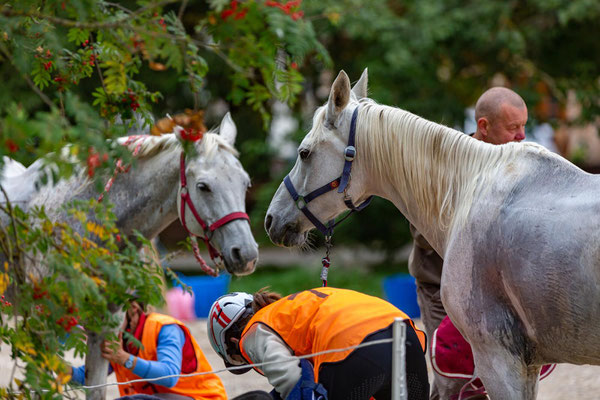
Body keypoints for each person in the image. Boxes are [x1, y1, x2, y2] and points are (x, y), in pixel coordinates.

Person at [408, 86, 527, 400]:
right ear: (484, 127)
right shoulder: (445, 166)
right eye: (513, 128)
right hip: (439, 286)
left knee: (495, 374)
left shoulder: (512, 162)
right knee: (453, 378)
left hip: (489, 291)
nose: (522, 137)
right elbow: (424, 234)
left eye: (523, 126)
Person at [207, 287, 430, 400]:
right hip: (405, 335)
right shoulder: (290, 309)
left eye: (239, 359)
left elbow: (290, 377)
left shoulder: (253, 331)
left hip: (356, 347)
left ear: (233, 342)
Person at [71, 300, 227, 400]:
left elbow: (169, 375)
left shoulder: (165, 328)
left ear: (132, 309)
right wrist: (58, 368)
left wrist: (125, 359)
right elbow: (86, 377)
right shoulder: (119, 340)